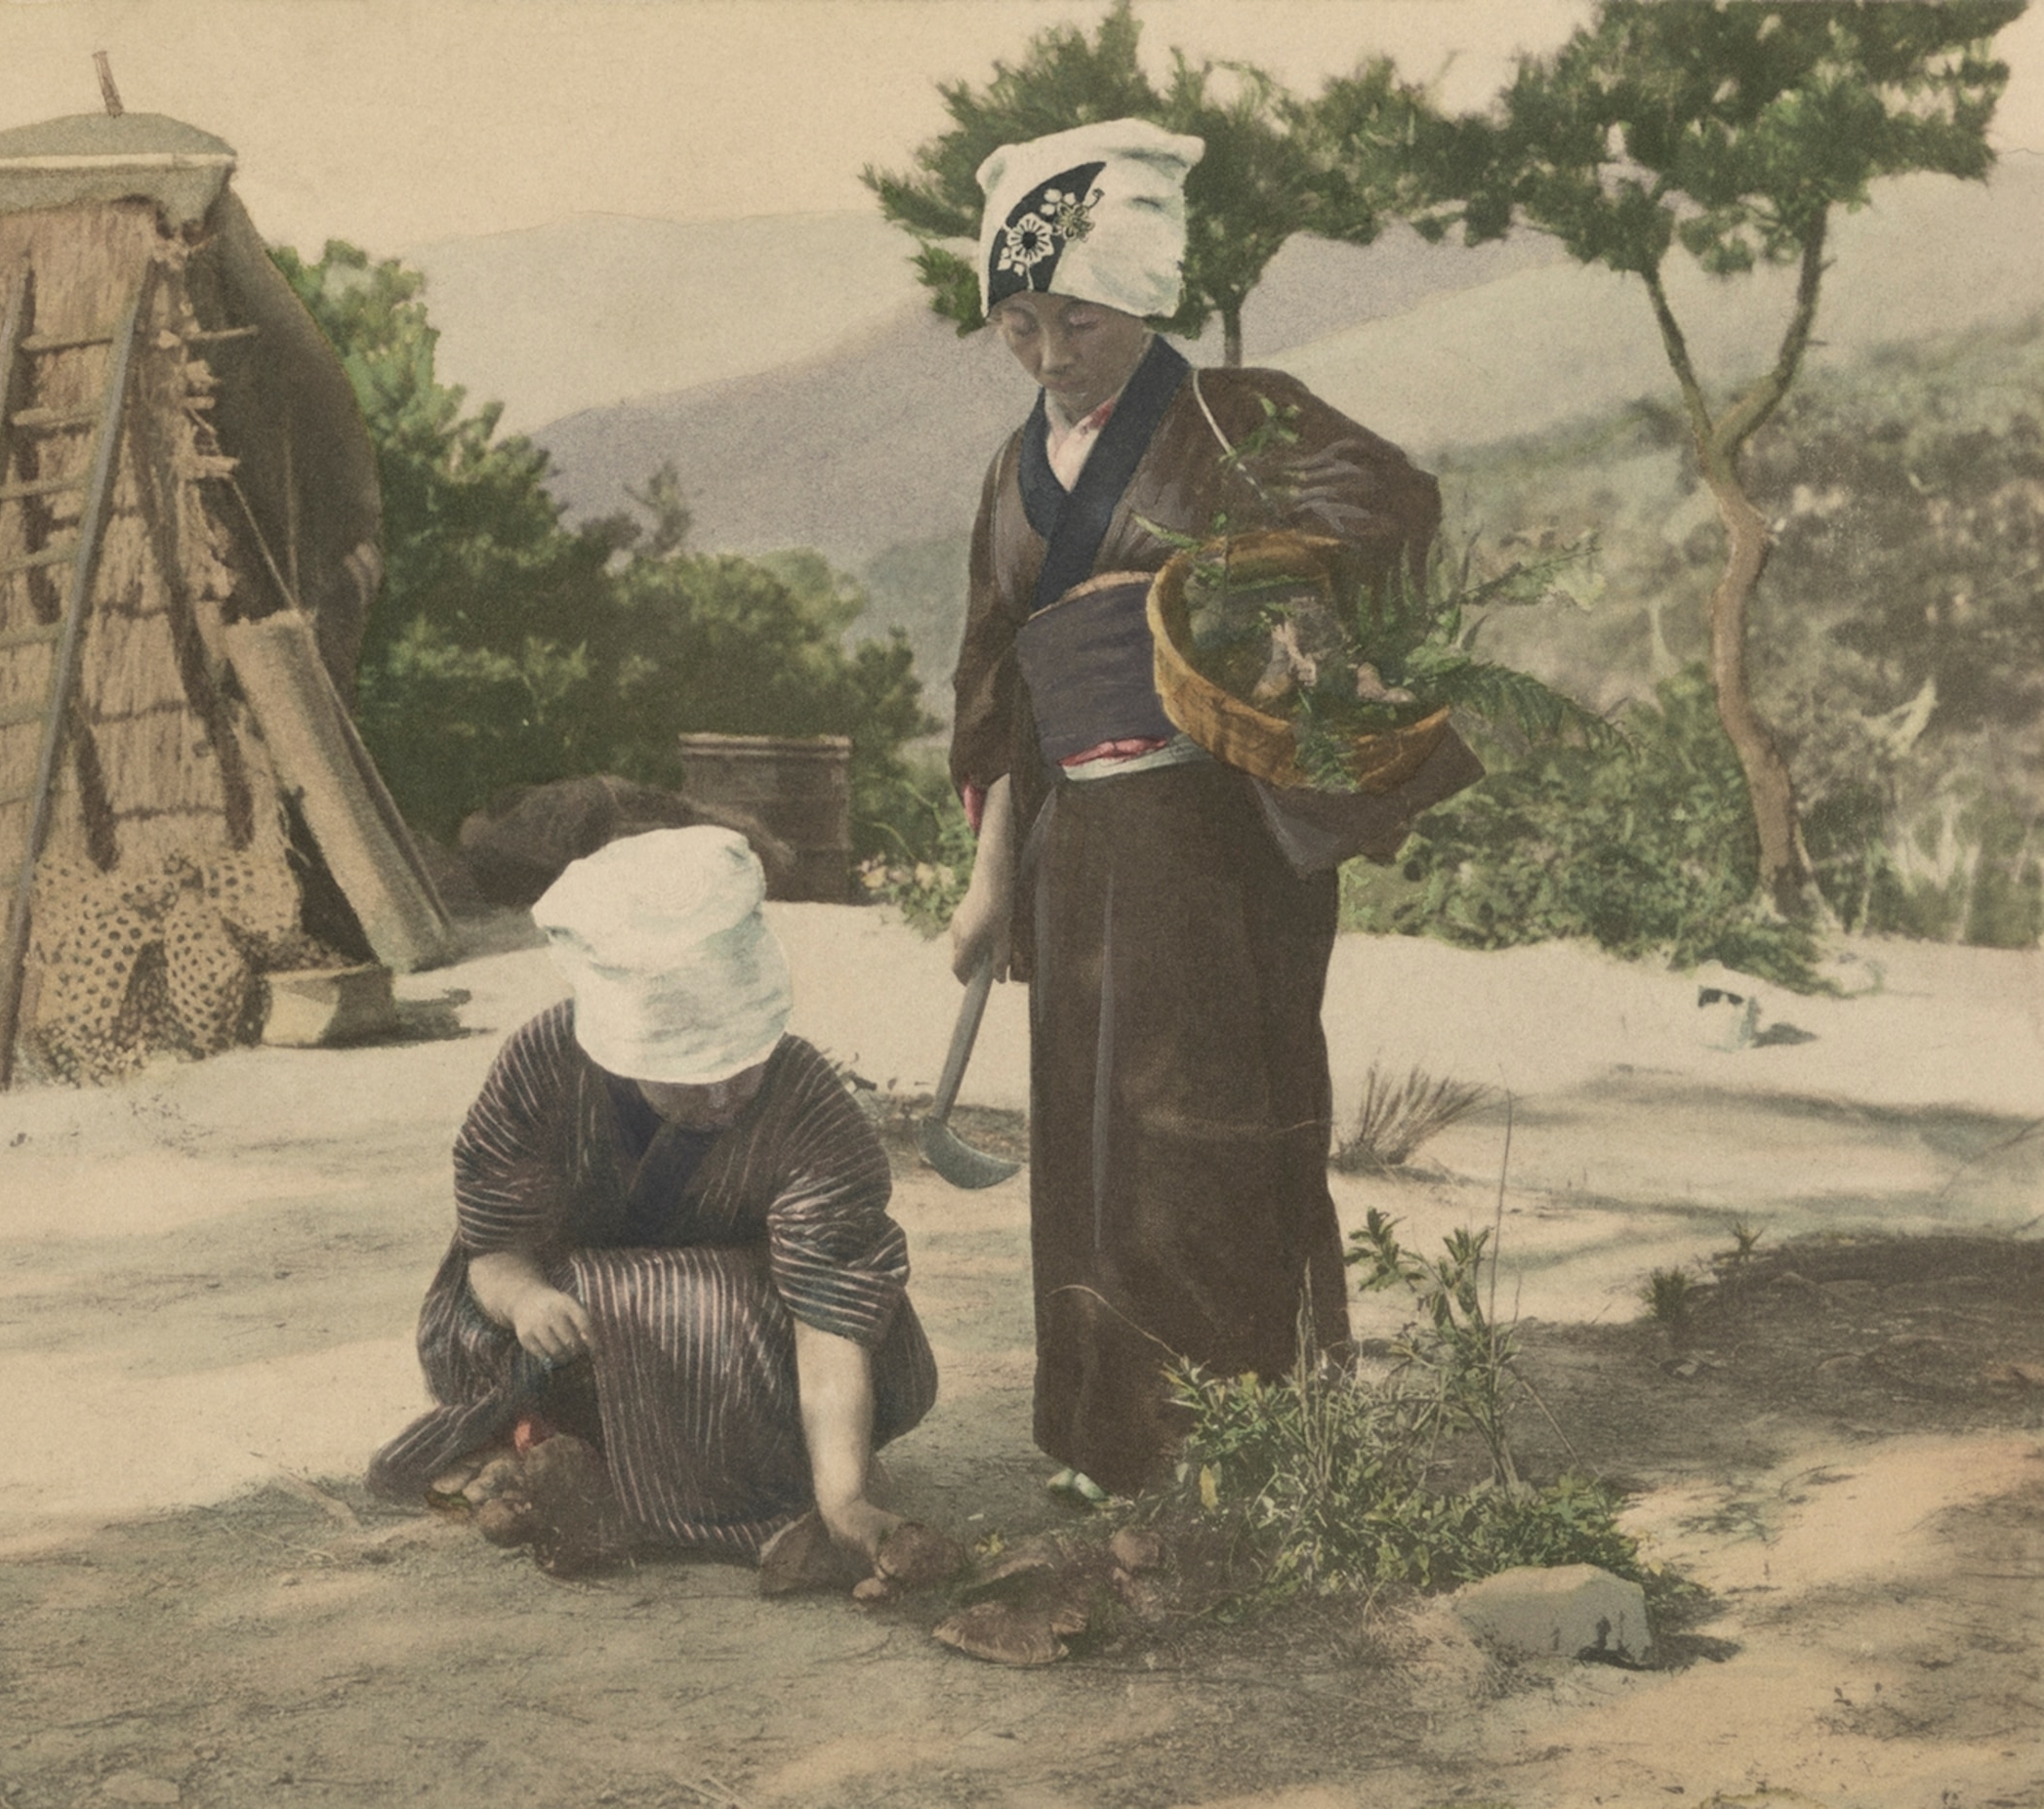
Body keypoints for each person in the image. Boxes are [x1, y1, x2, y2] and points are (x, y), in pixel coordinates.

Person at [940, 121, 1453, 1498]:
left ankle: (1241, 1441)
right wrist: (992, 881)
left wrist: (1219, 587)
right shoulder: (1012, 469)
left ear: (1141, 299)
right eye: (1021, 323)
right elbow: (996, 682)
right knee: (1085, 1138)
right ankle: (1108, 1440)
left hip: (1215, 836)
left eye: (1079, 319)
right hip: (1073, 840)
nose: (1052, 355)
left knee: (1207, 1126)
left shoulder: (1235, 413)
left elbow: (1395, 500)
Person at [367, 827, 949, 1586]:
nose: (717, 1097)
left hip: (755, 1354)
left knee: (713, 1307)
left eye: (735, 1068)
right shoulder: (540, 1065)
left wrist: (845, 1500)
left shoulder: (805, 1098)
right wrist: (525, 1298)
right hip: (570, 1343)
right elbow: (493, 1248)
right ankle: (577, 1455)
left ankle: (617, 1475)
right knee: (621, 1307)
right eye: (683, 1076)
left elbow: (832, 1314)